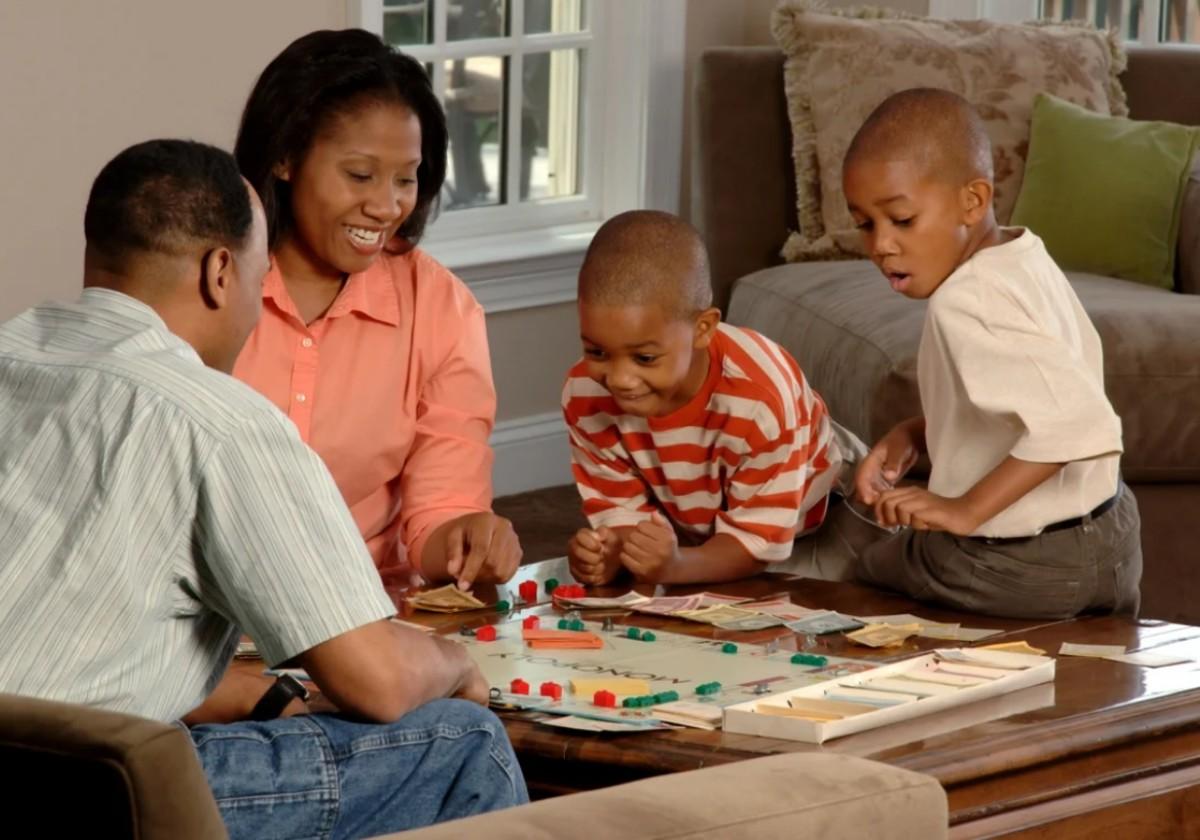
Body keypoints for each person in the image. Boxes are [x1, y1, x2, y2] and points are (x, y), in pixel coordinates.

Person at [0, 139, 527, 839]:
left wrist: (267, 697)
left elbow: (79, 647)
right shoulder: (219, 418)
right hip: (78, 798)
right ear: (221, 272)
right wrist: (453, 659)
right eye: (258, 277)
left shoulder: (14, 359)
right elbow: (377, 681)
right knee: (463, 743)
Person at [232, 29, 520, 591]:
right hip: (214, 611)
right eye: (360, 175)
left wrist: (467, 539)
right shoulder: (209, 283)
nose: (387, 206)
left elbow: (440, 508)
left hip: (365, 606)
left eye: (406, 179)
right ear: (286, 157)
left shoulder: (441, 307)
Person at [843, 88, 1142, 619]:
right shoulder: (1022, 254)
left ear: (973, 201)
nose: (880, 245)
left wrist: (963, 510)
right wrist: (917, 431)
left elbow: (1078, 425)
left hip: (1022, 562)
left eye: (902, 220)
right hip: (1113, 537)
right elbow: (1043, 394)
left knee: (867, 565)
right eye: (866, 224)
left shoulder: (965, 299)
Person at [563, 210, 851, 585]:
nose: (618, 379)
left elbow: (756, 544)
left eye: (644, 358)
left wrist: (676, 567)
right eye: (597, 352)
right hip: (701, 522)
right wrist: (609, 552)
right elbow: (624, 521)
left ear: (703, 329)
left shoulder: (760, 399)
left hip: (819, 513)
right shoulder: (585, 394)